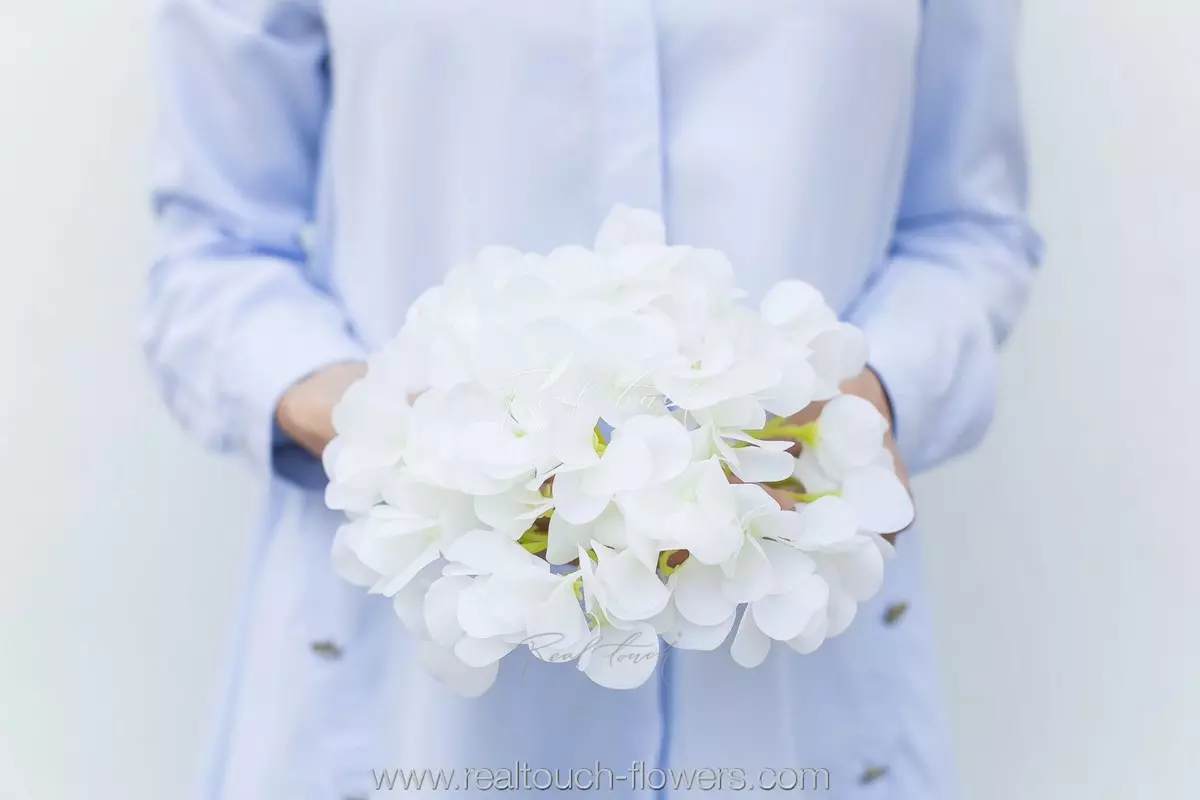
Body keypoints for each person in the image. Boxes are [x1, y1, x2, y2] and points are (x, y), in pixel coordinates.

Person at [142, 1, 1040, 797]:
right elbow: (217, 246)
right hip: (411, 698)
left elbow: (966, 227)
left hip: (792, 673)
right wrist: (376, 428)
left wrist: (867, 399)